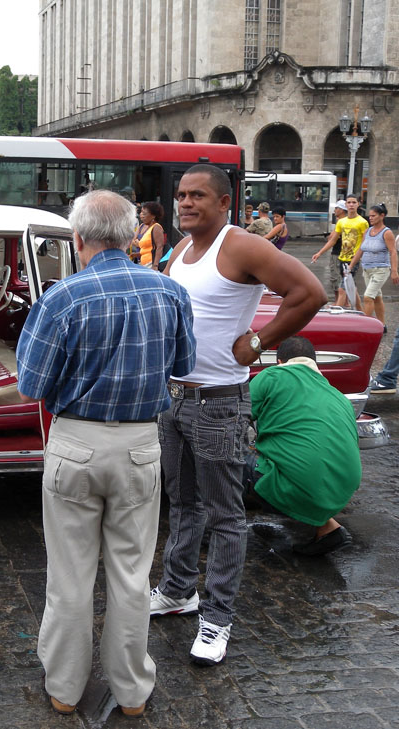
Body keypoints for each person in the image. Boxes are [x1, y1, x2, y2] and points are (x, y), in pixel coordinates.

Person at [16, 190, 196, 718]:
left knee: (69, 574)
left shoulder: (63, 297)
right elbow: (183, 363)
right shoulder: (169, 292)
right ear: (128, 235)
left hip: (75, 441)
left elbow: (32, 384)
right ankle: (133, 690)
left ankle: (65, 688)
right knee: (132, 572)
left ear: (79, 239)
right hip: (141, 444)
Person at [153, 164, 325, 667]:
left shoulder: (242, 246)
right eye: (181, 195)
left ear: (225, 202)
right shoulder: (181, 250)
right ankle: (177, 590)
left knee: (226, 515)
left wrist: (259, 341)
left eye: (198, 196)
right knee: (183, 504)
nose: (186, 203)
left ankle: (217, 618)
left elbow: (310, 293)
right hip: (175, 399)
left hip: (219, 402)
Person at [246, 336, 360, 555]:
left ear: (279, 361)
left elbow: (233, 417)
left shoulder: (272, 375)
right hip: (343, 490)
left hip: (305, 483)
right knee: (308, 465)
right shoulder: (338, 395)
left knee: (227, 454)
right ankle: (328, 527)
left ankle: (216, 529)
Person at [311, 194, 368, 308]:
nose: (351, 205)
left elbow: (364, 244)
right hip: (342, 258)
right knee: (351, 287)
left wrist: (354, 262)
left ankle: (337, 314)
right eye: (349, 202)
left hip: (354, 259)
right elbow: (332, 240)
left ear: (358, 204)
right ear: (346, 205)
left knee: (342, 289)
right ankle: (360, 312)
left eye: (354, 202)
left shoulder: (362, 222)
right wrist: (319, 253)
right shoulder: (342, 222)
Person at [348, 203, 397, 326]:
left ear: (382, 216)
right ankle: (382, 324)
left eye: (373, 216)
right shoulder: (368, 231)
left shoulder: (387, 233)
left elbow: (393, 252)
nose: (370, 218)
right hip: (367, 269)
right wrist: (350, 266)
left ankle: (364, 326)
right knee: (377, 297)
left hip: (380, 269)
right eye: (369, 216)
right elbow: (361, 250)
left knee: (368, 297)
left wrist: (394, 271)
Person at [131, 201, 165, 268]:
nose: (141, 215)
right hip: (143, 264)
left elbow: (159, 247)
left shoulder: (156, 227)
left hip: (150, 264)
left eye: (144, 214)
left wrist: (155, 265)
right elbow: (147, 250)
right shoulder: (143, 226)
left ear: (153, 216)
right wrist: (136, 254)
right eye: (141, 212)